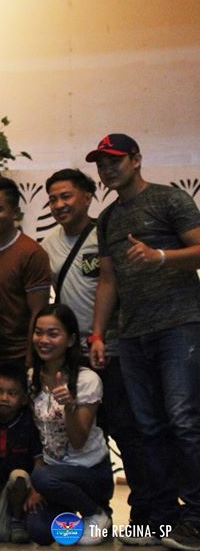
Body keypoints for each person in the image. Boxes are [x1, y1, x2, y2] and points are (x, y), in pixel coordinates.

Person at [87, 134, 200, 550]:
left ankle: (197, 518)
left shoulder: (169, 199)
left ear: (136, 160)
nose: (107, 169)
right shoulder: (108, 218)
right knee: (147, 428)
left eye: (114, 160)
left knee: (184, 421)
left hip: (180, 326)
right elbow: (108, 280)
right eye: (101, 163)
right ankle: (162, 520)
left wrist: (161, 257)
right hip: (132, 334)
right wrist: (98, 333)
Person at [44, 168, 151, 530]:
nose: (59, 204)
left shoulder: (104, 234)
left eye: (66, 196)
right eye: (53, 199)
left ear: (88, 197)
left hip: (115, 351)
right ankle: (97, 510)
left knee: (128, 432)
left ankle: (145, 515)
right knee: (88, 435)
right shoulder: (49, 245)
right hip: (75, 356)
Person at [26, 303, 113, 546]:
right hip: (53, 472)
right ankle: (78, 512)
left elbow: (78, 441)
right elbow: (37, 435)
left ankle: (95, 512)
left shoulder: (87, 379)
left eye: (53, 334)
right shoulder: (32, 377)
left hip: (90, 471)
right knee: (40, 533)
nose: (44, 340)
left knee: (44, 478)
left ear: (71, 340)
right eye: (38, 333)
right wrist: (37, 486)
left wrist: (69, 406)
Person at [0, 177, 52, 391]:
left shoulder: (32, 253)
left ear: (15, 212)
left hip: (16, 356)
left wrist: (31, 358)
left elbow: (38, 312)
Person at [0, 365, 41, 544]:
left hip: (24, 488)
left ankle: (17, 520)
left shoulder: (28, 424)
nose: (4, 398)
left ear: (23, 399)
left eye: (12, 393)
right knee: (0, 534)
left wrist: (36, 491)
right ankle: (2, 523)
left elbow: (39, 461)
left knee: (18, 476)